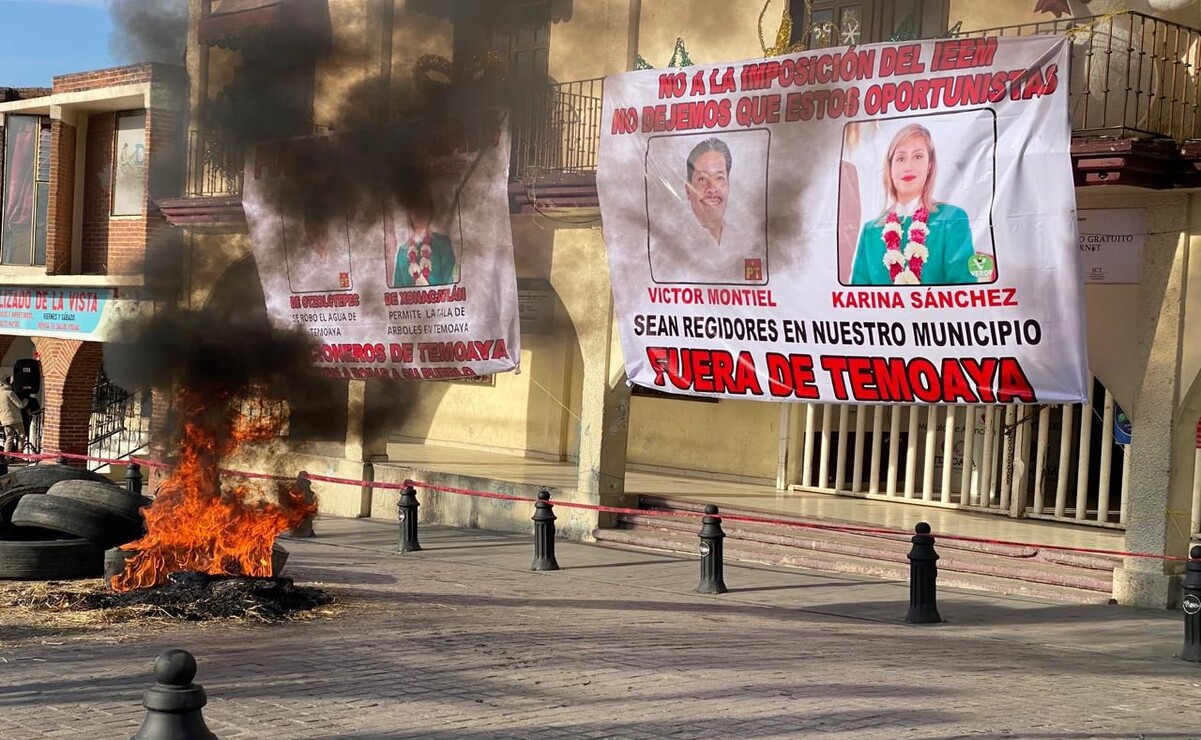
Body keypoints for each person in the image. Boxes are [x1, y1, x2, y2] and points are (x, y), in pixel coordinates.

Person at [850, 124, 978, 286]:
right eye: (900, 158)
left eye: (918, 157)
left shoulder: (951, 219)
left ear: (929, 165)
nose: (908, 167)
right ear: (890, 168)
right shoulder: (871, 230)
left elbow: (965, 290)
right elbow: (857, 297)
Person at [389, 185, 457, 288]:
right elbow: (398, 291)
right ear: (409, 213)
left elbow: (451, 284)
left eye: (424, 206)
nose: (420, 212)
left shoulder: (443, 244)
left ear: (430, 210)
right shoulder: (402, 252)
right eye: (415, 207)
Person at [685, 137, 732, 245]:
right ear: (688, 190)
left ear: (728, 186)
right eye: (702, 179)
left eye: (719, 178)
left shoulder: (746, 240)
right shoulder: (668, 245)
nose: (712, 189)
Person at [0, 376, 27, 455]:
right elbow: (20, 405)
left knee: (9, 438)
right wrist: (26, 400)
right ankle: (19, 454)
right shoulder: (10, 393)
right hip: (15, 419)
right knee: (22, 435)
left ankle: (6, 457)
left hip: (5, 420)